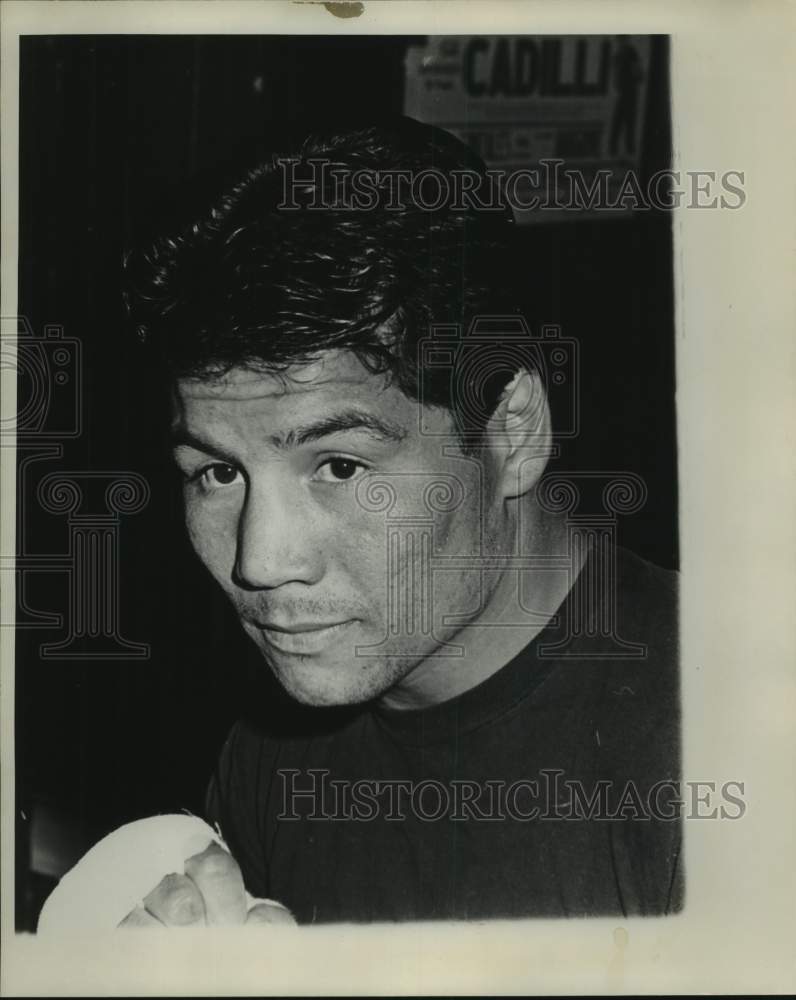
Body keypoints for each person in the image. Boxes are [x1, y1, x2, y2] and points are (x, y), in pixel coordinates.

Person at [118, 116, 682, 926]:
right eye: (217, 472)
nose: (261, 562)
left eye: (340, 466)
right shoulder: (269, 754)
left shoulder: (730, 740)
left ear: (511, 431)